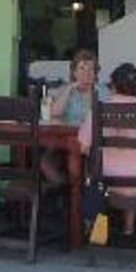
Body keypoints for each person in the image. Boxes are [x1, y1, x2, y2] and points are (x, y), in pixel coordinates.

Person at [78, 62, 136, 243]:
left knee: (123, 167)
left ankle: (127, 229)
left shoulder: (99, 109)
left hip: (105, 183)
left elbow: (83, 148)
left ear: (113, 86)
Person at [40, 49, 100, 184]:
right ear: (74, 72)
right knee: (46, 162)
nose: (87, 73)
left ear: (95, 73)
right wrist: (69, 88)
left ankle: (77, 194)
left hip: (93, 145)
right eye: (82, 69)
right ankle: (66, 191)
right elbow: (54, 113)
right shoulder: (66, 90)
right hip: (65, 142)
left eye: (91, 69)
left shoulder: (102, 92)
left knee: (83, 164)